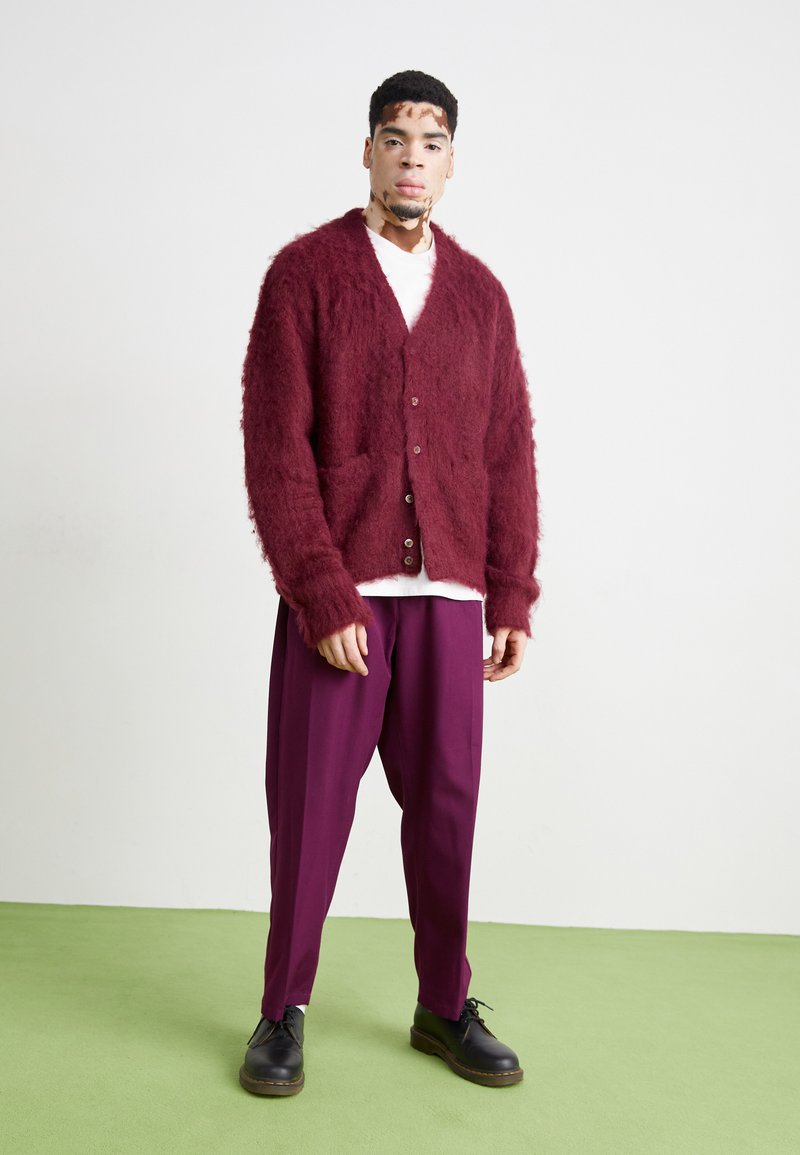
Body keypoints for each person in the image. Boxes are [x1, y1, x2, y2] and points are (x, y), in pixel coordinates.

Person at [238, 68, 541, 1096]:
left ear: (451, 162)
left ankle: (443, 1004)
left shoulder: (480, 296)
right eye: (396, 138)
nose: (413, 157)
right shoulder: (306, 275)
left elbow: (507, 451)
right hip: (345, 597)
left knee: (448, 806)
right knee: (311, 806)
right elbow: (275, 448)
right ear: (367, 150)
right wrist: (319, 590)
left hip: (451, 600)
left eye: (432, 141)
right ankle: (281, 1009)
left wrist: (510, 592)